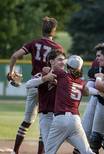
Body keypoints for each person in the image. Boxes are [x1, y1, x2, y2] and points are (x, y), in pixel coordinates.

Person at [8, 16, 64, 154]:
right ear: (54, 31)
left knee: (27, 120)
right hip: (49, 84)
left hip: (35, 82)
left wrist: (11, 72)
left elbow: (15, 56)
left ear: (42, 29)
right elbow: (62, 68)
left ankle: (15, 151)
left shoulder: (34, 43)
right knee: (45, 119)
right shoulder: (57, 48)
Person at [45, 55, 94, 154]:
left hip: (61, 118)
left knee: (49, 151)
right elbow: (86, 92)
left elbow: (46, 70)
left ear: (68, 66)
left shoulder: (62, 74)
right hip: (75, 120)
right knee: (87, 151)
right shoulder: (81, 82)